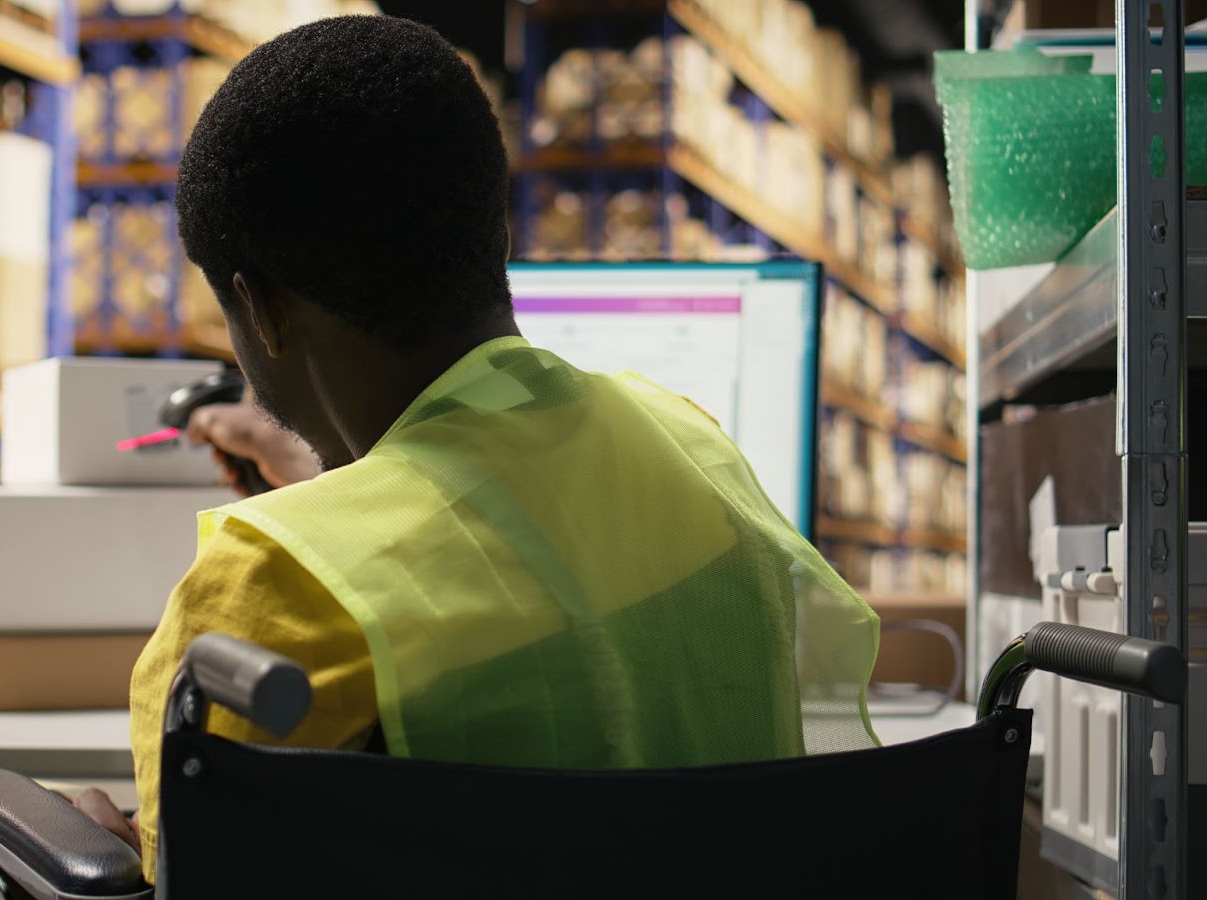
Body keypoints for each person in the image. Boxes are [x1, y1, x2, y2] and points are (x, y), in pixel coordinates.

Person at [70, 13, 881, 889]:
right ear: (496, 237)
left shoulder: (275, 586)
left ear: (256, 309)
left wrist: (103, 855)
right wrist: (343, 483)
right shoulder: (698, 450)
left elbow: (205, 872)